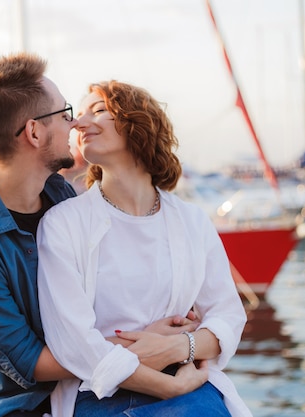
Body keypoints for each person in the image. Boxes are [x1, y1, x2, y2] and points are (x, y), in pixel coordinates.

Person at [0, 54, 198, 417]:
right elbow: (31, 364)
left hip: (75, 388)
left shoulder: (60, 196)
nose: (75, 124)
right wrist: (145, 343)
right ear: (34, 132)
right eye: (65, 113)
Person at [37, 81, 253, 416]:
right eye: (78, 116)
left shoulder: (192, 221)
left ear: (138, 123)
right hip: (100, 391)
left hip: (187, 378)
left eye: (98, 110)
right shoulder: (63, 224)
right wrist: (162, 377)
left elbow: (227, 316)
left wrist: (176, 347)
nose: (79, 123)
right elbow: (72, 343)